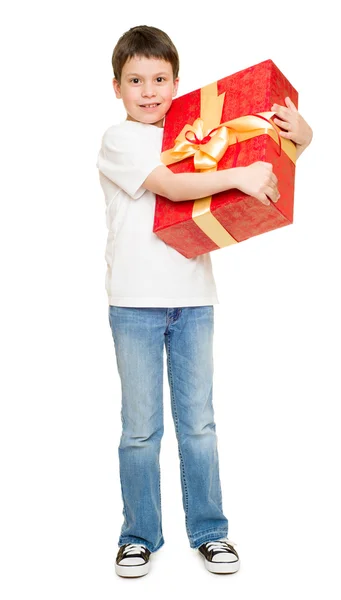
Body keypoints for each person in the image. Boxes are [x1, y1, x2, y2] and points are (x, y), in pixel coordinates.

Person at [96, 25, 313, 578]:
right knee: (141, 428)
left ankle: (210, 531)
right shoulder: (121, 140)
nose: (149, 91)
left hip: (193, 299)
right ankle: (139, 535)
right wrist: (239, 174)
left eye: (160, 79)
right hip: (135, 304)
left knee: (200, 424)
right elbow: (170, 186)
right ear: (115, 86)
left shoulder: (192, 133)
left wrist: (300, 140)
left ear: (176, 82)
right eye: (136, 80)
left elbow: (260, 159)